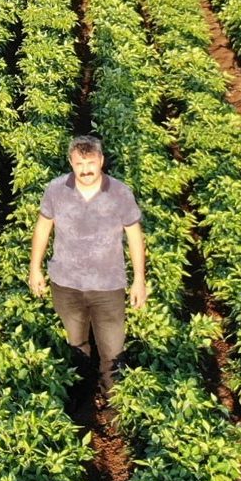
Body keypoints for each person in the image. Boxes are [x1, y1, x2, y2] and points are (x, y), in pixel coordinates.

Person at [28, 135, 147, 399]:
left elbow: (135, 236)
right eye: (79, 163)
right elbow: (43, 228)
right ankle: (80, 397)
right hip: (66, 283)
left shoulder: (119, 193)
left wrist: (139, 279)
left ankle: (114, 401)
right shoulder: (56, 190)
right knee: (77, 344)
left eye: (91, 162)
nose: (86, 169)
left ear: (101, 161)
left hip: (108, 286)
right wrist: (34, 268)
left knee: (113, 350)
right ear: (71, 162)